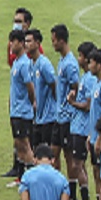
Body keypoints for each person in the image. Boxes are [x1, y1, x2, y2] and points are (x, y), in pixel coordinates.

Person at [67, 42, 99, 200]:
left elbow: (88, 105)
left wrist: (73, 103)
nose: (78, 59)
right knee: (78, 165)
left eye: (80, 56)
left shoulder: (90, 79)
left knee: (78, 164)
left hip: (83, 128)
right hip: (78, 126)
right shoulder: (86, 76)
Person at [51, 25, 80, 180]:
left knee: (69, 156)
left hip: (67, 117)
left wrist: (70, 101)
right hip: (59, 116)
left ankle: (72, 192)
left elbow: (76, 87)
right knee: (53, 153)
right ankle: (57, 185)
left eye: (54, 41)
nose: (53, 44)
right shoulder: (62, 60)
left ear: (62, 41)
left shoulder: (70, 64)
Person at [28, 29, 59, 173]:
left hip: (48, 117)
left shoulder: (44, 64)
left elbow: (53, 83)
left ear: (37, 43)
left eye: (29, 41)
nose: (26, 44)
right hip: (38, 117)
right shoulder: (32, 64)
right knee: (37, 151)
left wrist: (51, 102)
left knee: (46, 154)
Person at [6, 29, 36, 179]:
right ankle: (22, 176)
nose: (11, 45)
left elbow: (30, 86)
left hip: (23, 111)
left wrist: (32, 103)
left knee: (25, 144)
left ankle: (31, 175)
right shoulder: (17, 62)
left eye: (13, 41)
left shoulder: (24, 64)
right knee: (18, 144)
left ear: (21, 43)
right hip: (16, 110)